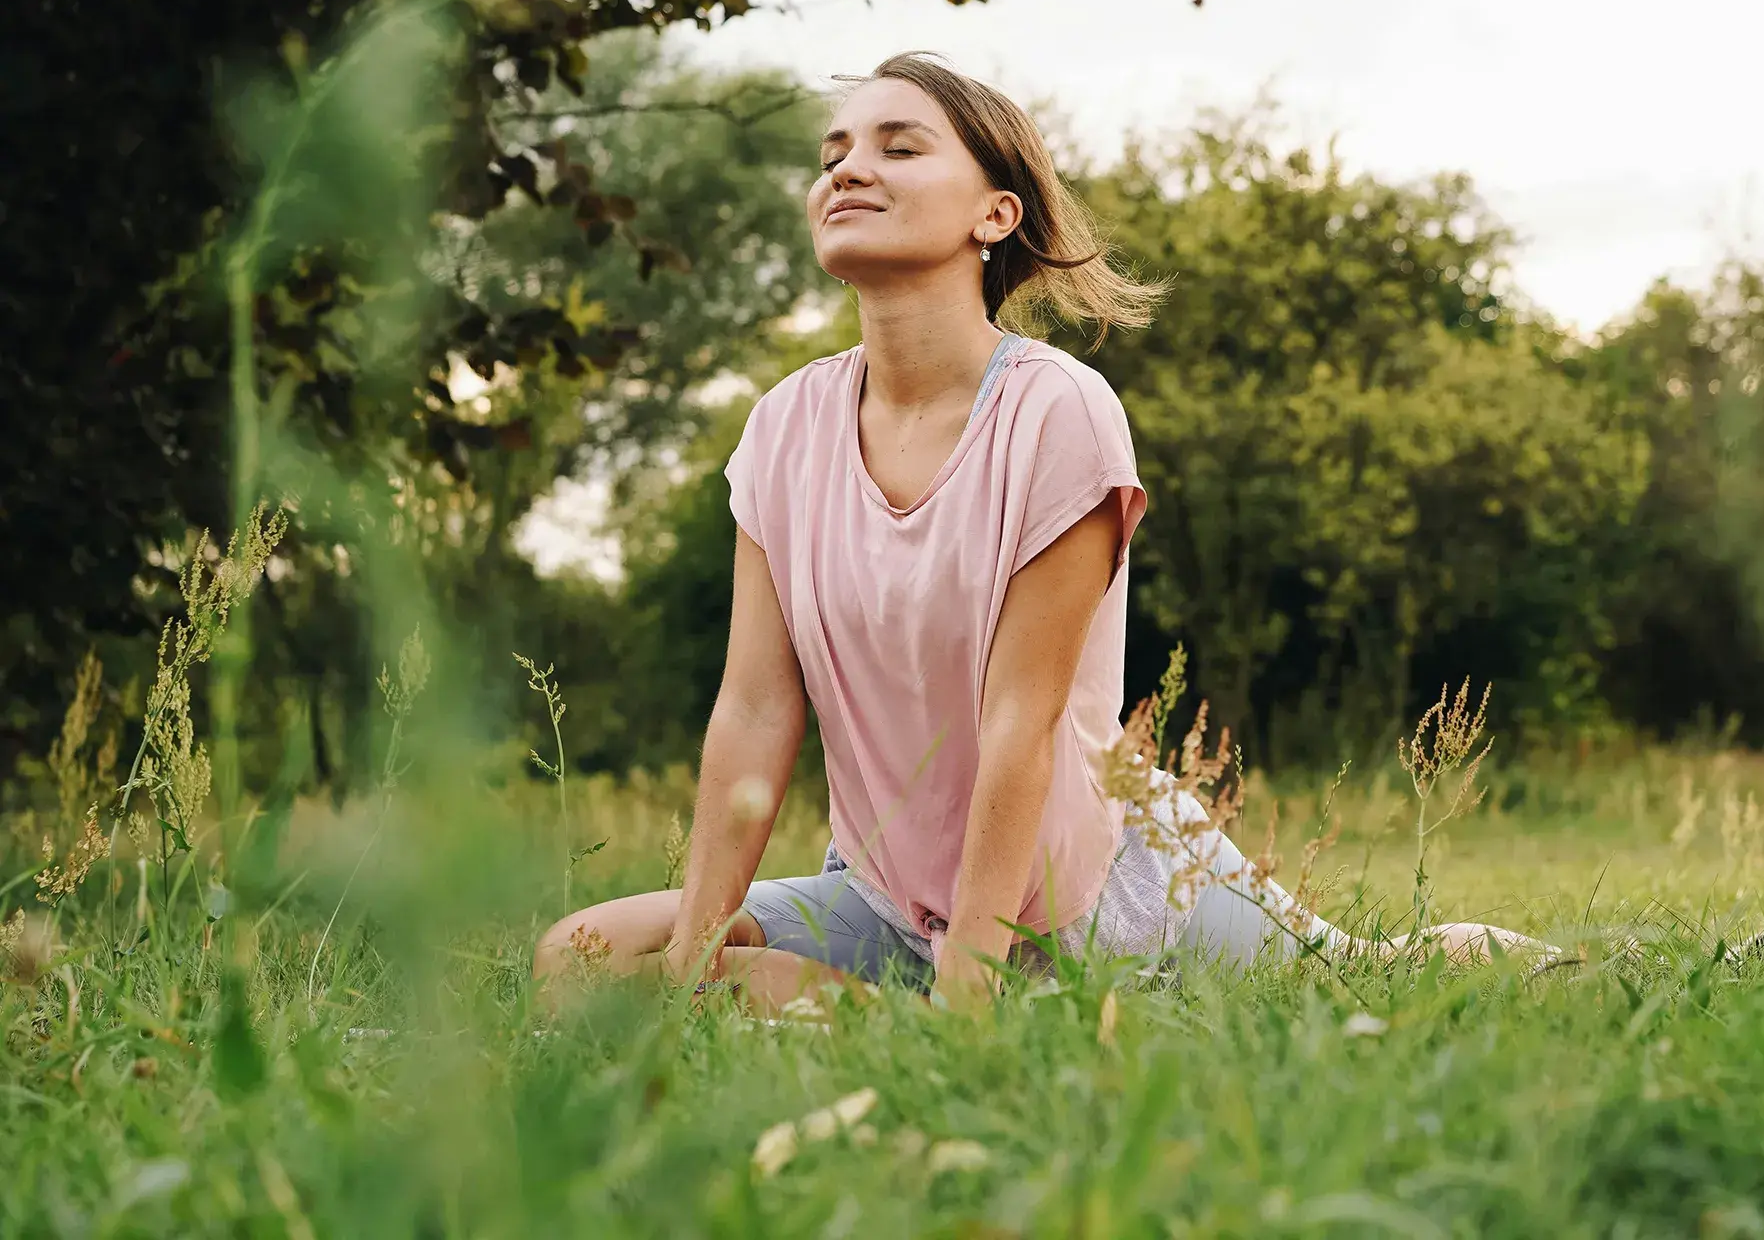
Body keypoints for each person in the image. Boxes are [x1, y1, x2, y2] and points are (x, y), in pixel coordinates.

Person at [533, 53, 1539, 1014]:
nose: (848, 168)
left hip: (1085, 891)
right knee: (578, 959)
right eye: (833, 152)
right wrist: (694, 963)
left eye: (899, 146)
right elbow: (753, 713)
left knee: (1382, 974)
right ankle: (883, 1009)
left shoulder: (1058, 411)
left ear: (995, 213)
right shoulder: (782, 430)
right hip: (890, 897)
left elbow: (1022, 721)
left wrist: (968, 992)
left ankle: (1563, 966)